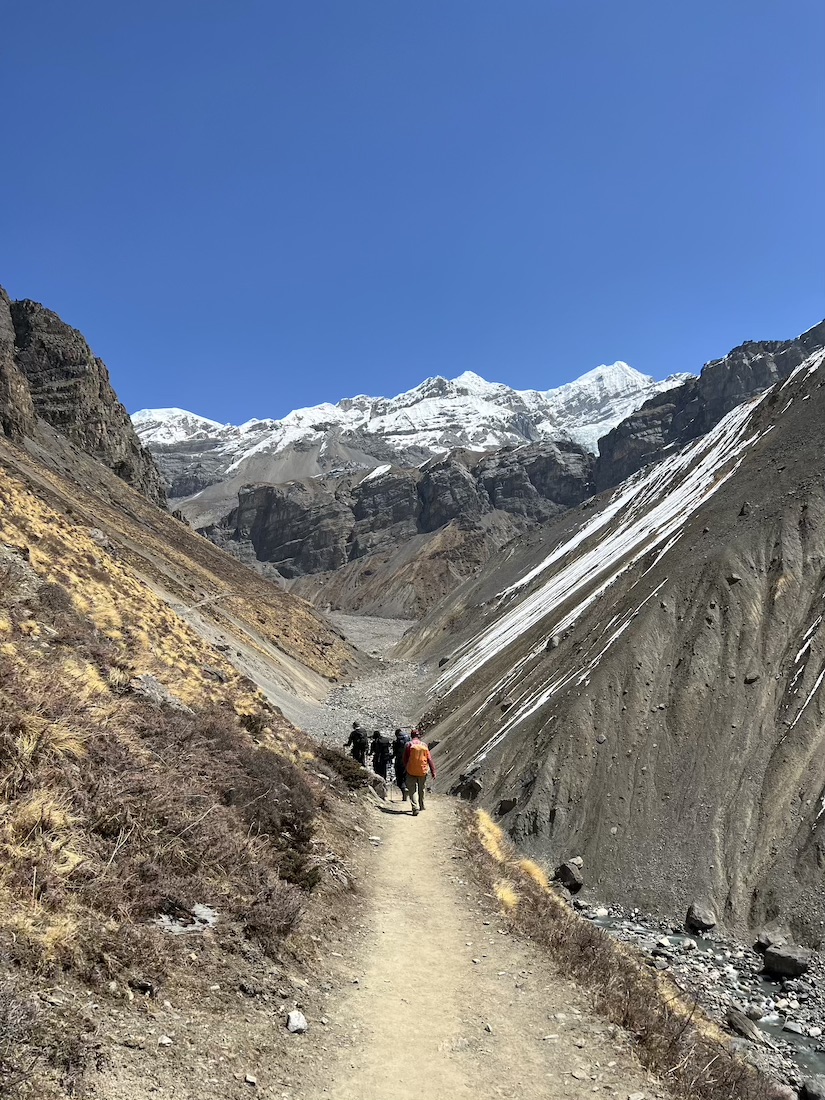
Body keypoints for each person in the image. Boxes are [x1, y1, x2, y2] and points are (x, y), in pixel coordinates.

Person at [403, 728, 436, 816]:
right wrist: (433, 771)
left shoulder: (408, 744)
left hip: (411, 771)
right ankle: (422, 805)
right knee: (421, 788)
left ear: (411, 736)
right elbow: (429, 759)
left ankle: (415, 807)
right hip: (423, 770)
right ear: (419, 736)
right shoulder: (424, 745)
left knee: (412, 789)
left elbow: (405, 759)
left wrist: (406, 768)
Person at [392, 728, 411, 800]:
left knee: (399, 777)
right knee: (406, 775)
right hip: (408, 761)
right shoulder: (408, 738)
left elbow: (395, 753)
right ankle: (407, 788)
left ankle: (403, 789)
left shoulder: (397, 741)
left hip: (399, 761)